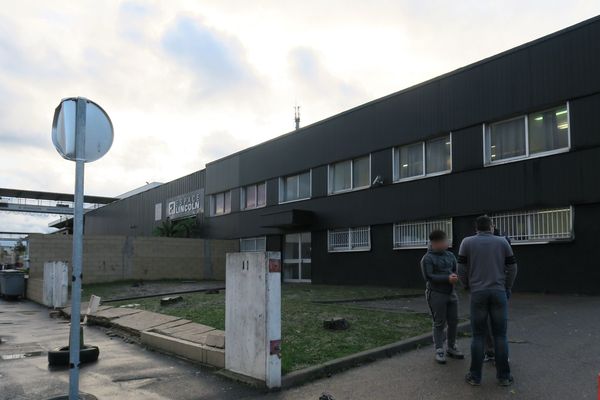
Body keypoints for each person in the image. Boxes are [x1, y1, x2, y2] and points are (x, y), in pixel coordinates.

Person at [458, 215, 517, 386]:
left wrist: (466, 285)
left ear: (476, 228)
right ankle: (504, 377)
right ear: (491, 226)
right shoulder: (502, 242)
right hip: (498, 292)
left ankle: (475, 377)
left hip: (478, 294)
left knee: (478, 336)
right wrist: (507, 287)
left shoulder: (466, 242)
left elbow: (460, 267)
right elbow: (512, 267)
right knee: (500, 335)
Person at [420, 229, 464, 364]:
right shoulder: (427, 258)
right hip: (436, 294)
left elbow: (455, 270)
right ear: (434, 243)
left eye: (446, 241)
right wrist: (447, 278)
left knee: (454, 321)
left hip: (451, 293)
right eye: (443, 242)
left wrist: (456, 277)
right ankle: (439, 349)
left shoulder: (450, 255)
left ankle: (451, 347)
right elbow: (429, 277)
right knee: (439, 322)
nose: (446, 244)